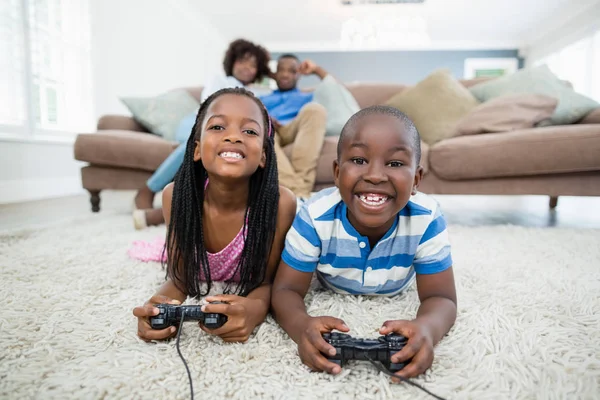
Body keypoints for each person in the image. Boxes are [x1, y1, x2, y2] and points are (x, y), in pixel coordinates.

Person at [270, 106, 457, 379]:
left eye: (394, 163)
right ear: (336, 173)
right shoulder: (314, 216)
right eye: (358, 160)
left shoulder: (427, 218)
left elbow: (442, 297)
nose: (375, 176)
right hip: (331, 282)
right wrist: (301, 327)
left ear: (416, 179)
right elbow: (285, 289)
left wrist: (427, 329)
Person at [133, 87, 297, 343]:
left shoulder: (281, 203)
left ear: (264, 156)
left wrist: (252, 311)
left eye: (250, 131)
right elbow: (180, 279)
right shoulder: (175, 197)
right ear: (197, 150)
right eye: (218, 127)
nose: (233, 137)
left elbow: (265, 282)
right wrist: (157, 307)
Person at [134, 53, 330, 228]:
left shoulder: (308, 96)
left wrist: (316, 70)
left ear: (299, 74)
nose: (286, 74)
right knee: (261, 124)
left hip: (295, 130)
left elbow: (335, 91)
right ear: (272, 73)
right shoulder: (260, 94)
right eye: (281, 71)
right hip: (267, 132)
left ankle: (299, 194)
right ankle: (301, 195)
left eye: (292, 71)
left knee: (316, 110)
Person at [133, 39, 271, 229]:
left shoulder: (258, 93)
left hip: (224, 129)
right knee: (197, 141)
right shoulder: (221, 80)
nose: (247, 67)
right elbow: (211, 109)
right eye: (242, 61)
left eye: (253, 65)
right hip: (200, 121)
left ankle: (182, 209)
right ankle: (148, 189)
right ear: (232, 61)